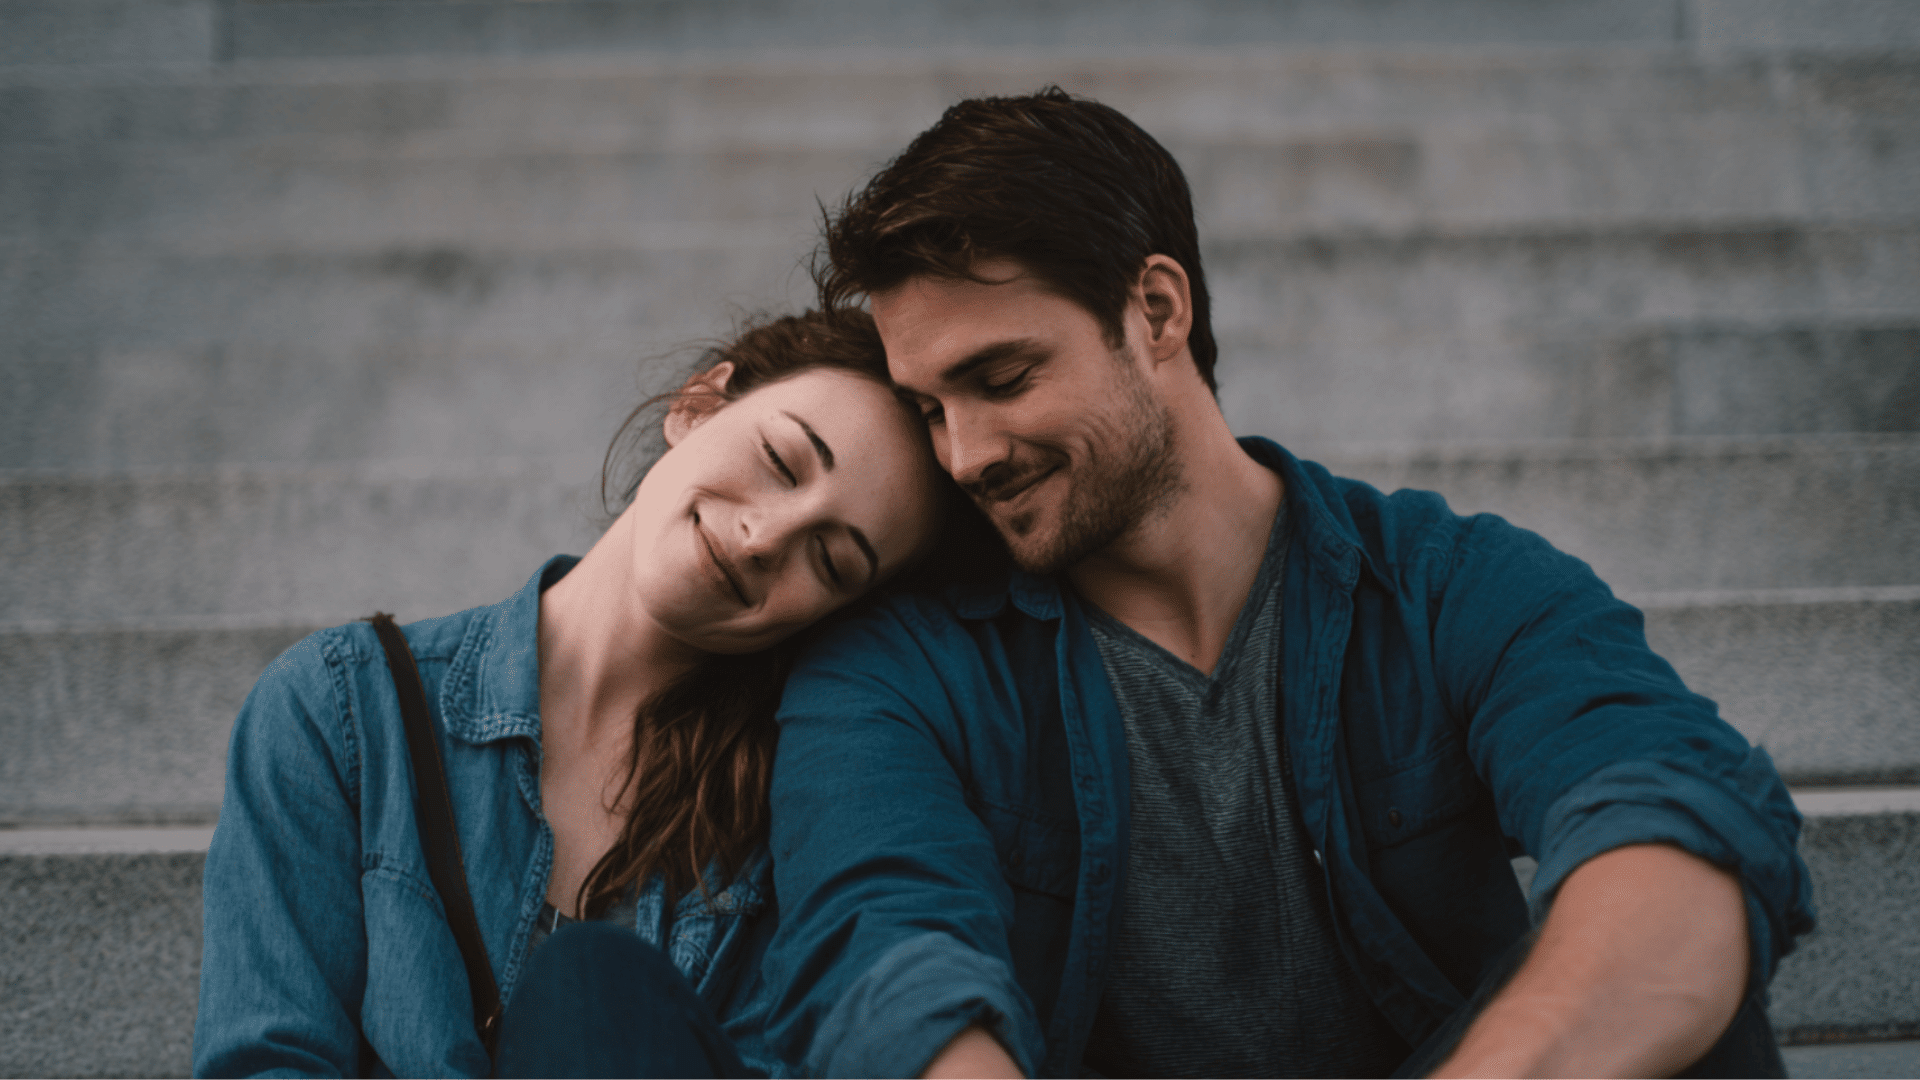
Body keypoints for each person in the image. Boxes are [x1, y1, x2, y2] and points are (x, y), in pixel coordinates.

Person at [763, 89, 1816, 1078]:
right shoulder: (898, 668)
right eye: (931, 409)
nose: (965, 455)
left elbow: (1673, 815)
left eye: (1001, 381)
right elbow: (883, 961)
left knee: (1673, 992)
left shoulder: (1444, 585)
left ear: (1158, 309)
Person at [193, 309, 950, 1077]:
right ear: (696, 407)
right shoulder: (341, 710)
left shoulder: (792, 810)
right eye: (782, 461)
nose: (763, 538)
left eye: (829, 561)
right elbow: (269, 1059)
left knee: (595, 984)